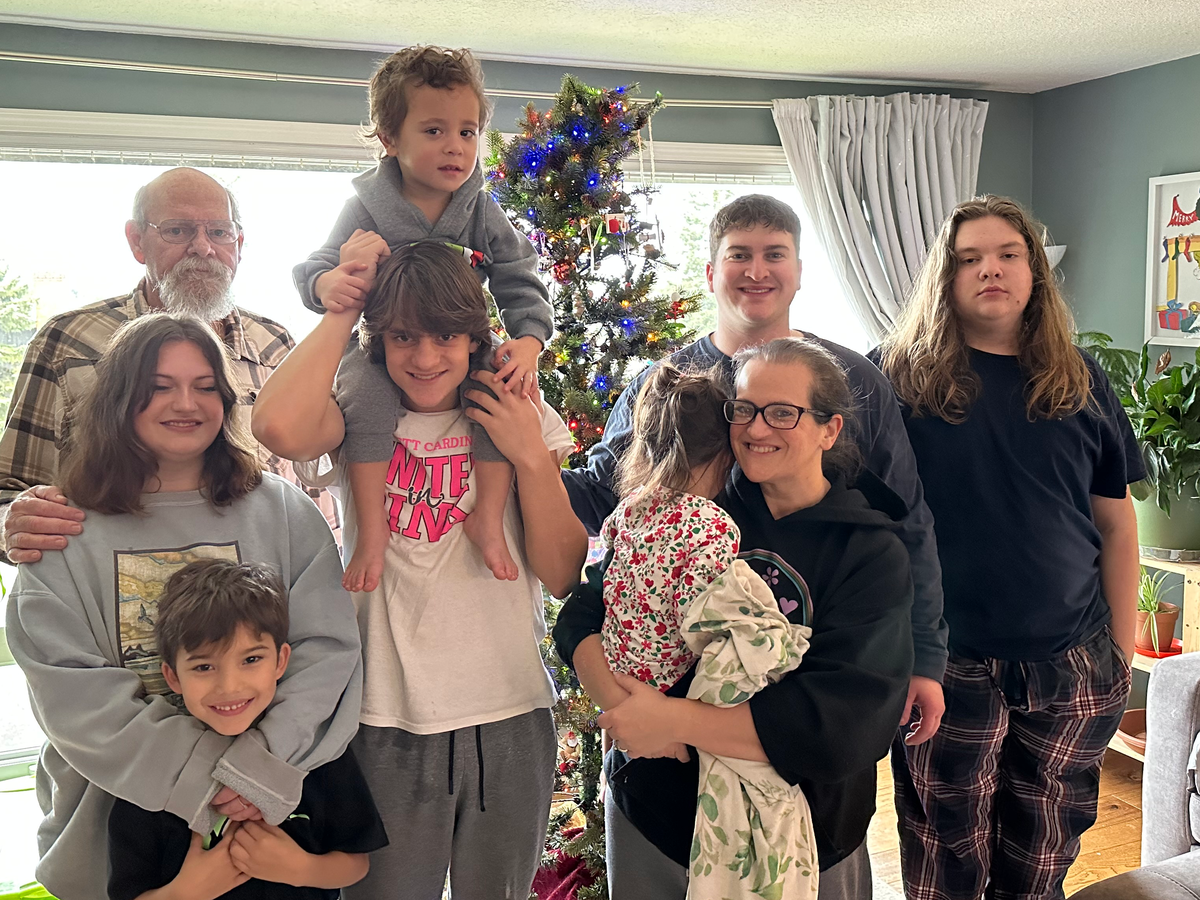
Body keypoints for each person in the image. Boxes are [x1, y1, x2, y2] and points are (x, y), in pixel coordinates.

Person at [254, 241, 587, 900]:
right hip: (384, 717)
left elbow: (561, 573)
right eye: (403, 336)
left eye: (445, 337)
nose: (425, 357)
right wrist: (341, 310)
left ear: (474, 339)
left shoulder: (517, 412)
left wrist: (529, 454)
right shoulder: (357, 412)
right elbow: (277, 427)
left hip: (509, 712)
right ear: (378, 339)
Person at [562, 194, 949, 747]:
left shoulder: (855, 380)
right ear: (711, 273)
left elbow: (906, 516)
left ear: (799, 272)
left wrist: (926, 656)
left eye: (775, 254)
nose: (757, 270)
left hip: (814, 692)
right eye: (739, 254)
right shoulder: (665, 384)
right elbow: (601, 497)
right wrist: (520, 454)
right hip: (665, 704)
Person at [4, 313, 362, 900]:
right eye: (160, 386)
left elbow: (326, 655)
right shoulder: (61, 528)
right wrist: (209, 780)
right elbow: (70, 693)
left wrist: (259, 768)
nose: (186, 403)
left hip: (269, 830)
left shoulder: (285, 512)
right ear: (119, 399)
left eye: (204, 386)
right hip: (112, 844)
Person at [554, 337, 915, 900]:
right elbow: (583, 612)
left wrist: (671, 721)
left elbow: (845, 725)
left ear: (830, 430)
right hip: (655, 822)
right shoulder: (690, 506)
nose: (756, 428)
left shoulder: (870, 552)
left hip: (802, 846)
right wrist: (622, 706)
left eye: (783, 412)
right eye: (743, 409)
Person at [876, 196, 1140, 900]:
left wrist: (1120, 655)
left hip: (1073, 664)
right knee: (944, 860)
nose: (990, 269)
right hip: (944, 668)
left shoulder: (1082, 378)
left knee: (1042, 861)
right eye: (969, 258)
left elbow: (1116, 524)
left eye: (1007, 254)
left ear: (1034, 271)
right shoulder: (895, 378)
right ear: (946, 277)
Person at [293, 44, 553, 590]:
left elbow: (518, 273)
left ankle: (487, 519)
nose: (455, 146)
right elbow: (315, 265)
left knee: (494, 395)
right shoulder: (366, 206)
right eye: (434, 131)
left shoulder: (480, 207)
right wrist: (328, 283)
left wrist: (529, 339)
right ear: (390, 139)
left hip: (462, 339)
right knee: (364, 402)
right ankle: (371, 532)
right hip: (383, 345)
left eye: (467, 132)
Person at [0, 166, 338, 565]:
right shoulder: (68, 342)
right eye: (178, 230)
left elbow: (313, 493)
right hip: (108, 586)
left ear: (239, 244)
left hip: (261, 591)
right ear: (136, 241)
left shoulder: (275, 346)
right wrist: (12, 523)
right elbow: (10, 489)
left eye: (219, 232)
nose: (202, 248)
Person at [591, 359, 818, 900]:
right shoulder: (711, 523)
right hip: (676, 688)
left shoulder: (626, 512)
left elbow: (597, 588)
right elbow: (709, 617)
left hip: (622, 679)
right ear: (723, 455)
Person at [107, 558, 387, 899]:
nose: (230, 686)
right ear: (173, 677)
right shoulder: (150, 770)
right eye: (204, 666)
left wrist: (300, 869)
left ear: (281, 661)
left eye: (251, 659)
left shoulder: (316, 751)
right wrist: (186, 892)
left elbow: (356, 862)